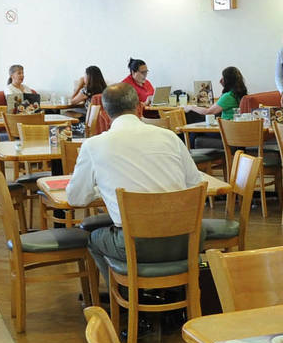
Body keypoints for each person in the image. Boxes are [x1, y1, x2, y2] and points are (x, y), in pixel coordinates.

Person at [66, 82, 204, 287]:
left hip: (137, 245)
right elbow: (195, 184)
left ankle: (122, 294)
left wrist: (102, 190)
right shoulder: (169, 137)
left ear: (104, 114)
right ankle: (178, 292)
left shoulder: (93, 145)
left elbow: (76, 198)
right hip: (187, 239)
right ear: (139, 108)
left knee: (94, 239)